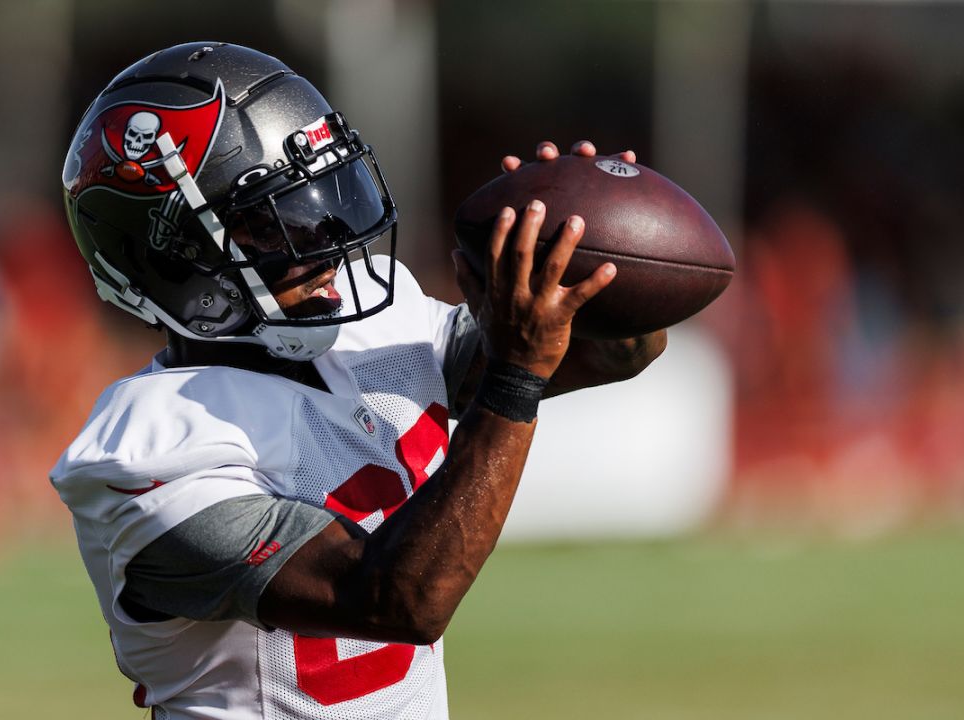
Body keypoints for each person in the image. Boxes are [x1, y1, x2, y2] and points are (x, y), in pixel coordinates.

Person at [51, 41, 665, 720]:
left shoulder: (370, 324)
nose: (326, 236)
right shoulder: (145, 454)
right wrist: (515, 378)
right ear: (176, 259)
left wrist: (599, 248)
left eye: (323, 192)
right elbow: (398, 599)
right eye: (274, 220)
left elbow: (618, 352)